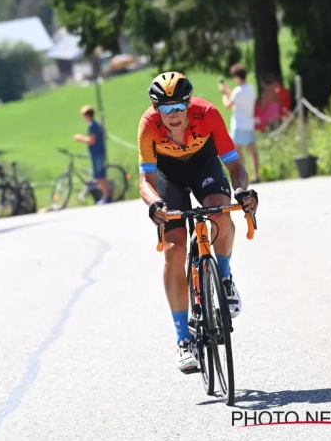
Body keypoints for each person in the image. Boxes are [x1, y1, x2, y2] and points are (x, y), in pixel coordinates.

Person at [138, 72, 258, 373]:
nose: (173, 115)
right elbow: (146, 181)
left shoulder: (208, 114)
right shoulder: (149, 126)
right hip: (168, 177)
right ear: (156, 109)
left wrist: (242, 191)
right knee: (174, 249)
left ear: (189, 103)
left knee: (219, 212)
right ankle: (183, 339)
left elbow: (235, 166)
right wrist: (154, 204)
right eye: (165, 109)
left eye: (179, 107)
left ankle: (226, 279)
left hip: (204, 165)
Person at [219, 64, 260, 183]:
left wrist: (223, 93)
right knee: (252, 150)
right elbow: (238, 98)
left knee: (238, 153)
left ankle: (242, 176)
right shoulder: (250, 88)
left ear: (237, 77)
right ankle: (256, 175)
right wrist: (228, 90)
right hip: (249, 123)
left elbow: (228, 104)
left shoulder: (238, 91)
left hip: (239, 124)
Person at [74, 105, 111, 204]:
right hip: (99, 152)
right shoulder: (95, 124)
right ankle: (106, 195)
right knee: (101, 175)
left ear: (87, 115)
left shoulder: (92, 125)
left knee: (99, 176)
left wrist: (80, 138)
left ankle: (106, 196)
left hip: (97, 153)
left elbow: (92, 140)